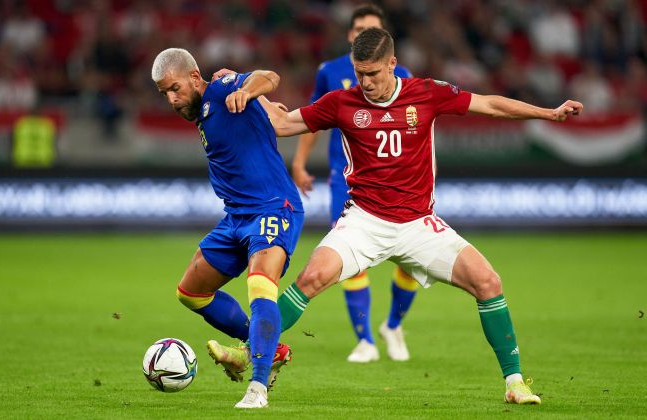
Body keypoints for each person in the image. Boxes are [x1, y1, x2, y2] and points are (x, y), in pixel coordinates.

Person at [264, 28, 583, 405]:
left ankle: (514, 383)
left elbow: (490, 105)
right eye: (359, 73)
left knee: (488, 282)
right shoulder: (341, 102)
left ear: (392, 65)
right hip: (364, 221)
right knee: (311, 278)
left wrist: (548, 113)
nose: (366, 83)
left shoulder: (426, 92)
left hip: (419, 224)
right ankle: (249, 349)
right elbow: (282, 125)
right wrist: (246, 90)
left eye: (373, 73)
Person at [151, 48, 304, 409]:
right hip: (235, 217)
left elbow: (269, 76)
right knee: (191, 292)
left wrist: (246, 91)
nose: (172, 99)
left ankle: (258, 388)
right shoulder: (204, 111)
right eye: (165, 94)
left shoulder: (222, 89)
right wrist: (260, 104)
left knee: (260, 286)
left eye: (175, 88)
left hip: (272, 208)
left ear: (194, 77)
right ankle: (266, 346)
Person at [292, 3, 418, 364]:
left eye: (372, 29)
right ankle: (365, 340)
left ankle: (393, 325)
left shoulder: (404, 76)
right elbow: (312, 119)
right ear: (350, 35)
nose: (364, 34)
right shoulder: (330, 72)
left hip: (396, 183)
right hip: (345, 181)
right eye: (360, 29)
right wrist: (299, 162)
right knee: (351, 260)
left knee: (411, 261)